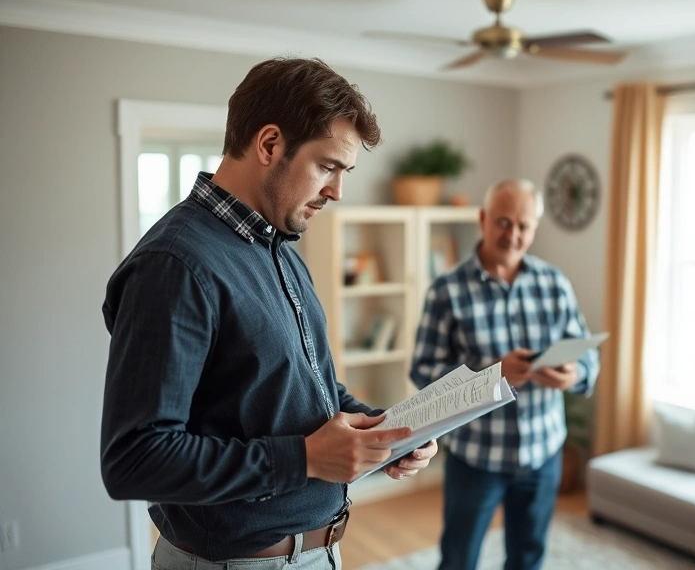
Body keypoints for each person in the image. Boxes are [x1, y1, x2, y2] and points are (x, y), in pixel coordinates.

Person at [100, 57, 437, 570]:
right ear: (269, 144)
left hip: (319, 553)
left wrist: (383, 431)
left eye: (344, 172)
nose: (337, 192)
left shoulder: (277, 245)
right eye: (327, 166)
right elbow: (135, 459)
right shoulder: (174, 266)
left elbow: (302, 385)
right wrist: (304, 458)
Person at [410, 179, 601, 570]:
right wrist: (491, 375)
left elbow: (588, 360)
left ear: (534, 229)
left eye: (523, 225)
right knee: (459, 559)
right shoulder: (446, 292)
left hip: (543, 452)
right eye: (502, 222)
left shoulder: (555, 285)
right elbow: (423, 373)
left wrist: (572, 375)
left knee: (528, 559)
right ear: (482, 220)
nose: (512, 235)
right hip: (476, 457)